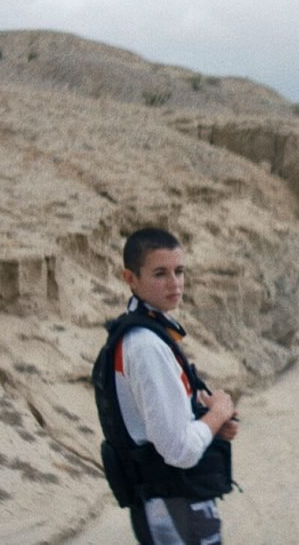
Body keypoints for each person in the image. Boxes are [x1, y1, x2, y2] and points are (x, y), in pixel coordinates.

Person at [98, 227, 239, 544]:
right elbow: (179, 450)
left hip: (172, 501)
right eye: (160, 273)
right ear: (130, 278)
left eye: (179, 271)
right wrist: (217, 413)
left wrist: (212, 427)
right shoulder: (146, 345)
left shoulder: (148, 331)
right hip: (172, 505)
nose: (174, 283)